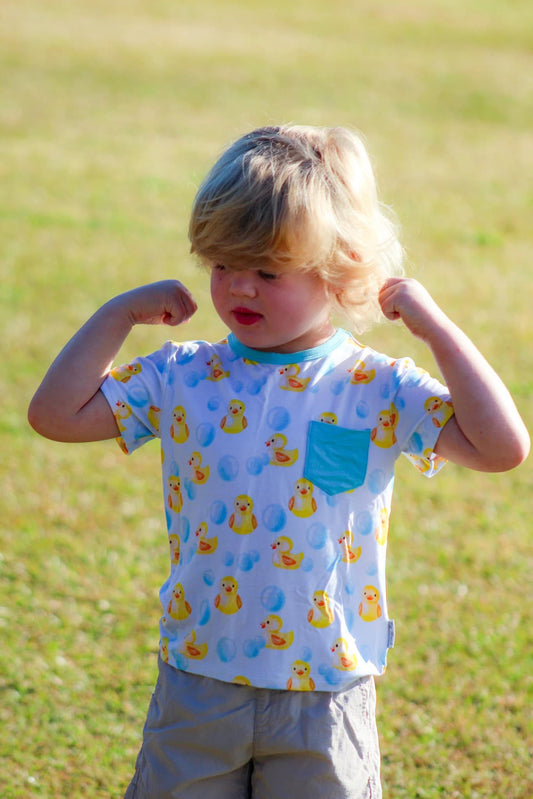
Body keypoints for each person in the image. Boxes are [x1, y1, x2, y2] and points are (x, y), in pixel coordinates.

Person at [28, 125, 529, 799]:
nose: (240, 287)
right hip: (200, 679)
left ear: (341, 267)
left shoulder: (377, 388)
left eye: (267, 271)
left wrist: (436, 328)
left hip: (324, 690)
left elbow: (501, 448)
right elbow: (55, 415)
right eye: (223, 264)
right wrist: (117, 315)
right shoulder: (184, 375)